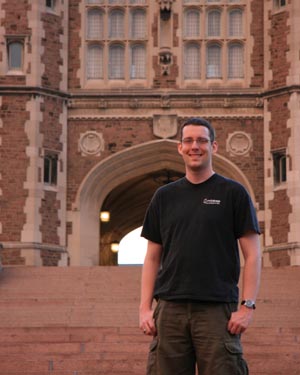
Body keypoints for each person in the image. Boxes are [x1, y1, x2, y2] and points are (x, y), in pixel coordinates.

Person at [139, 117, 261, 375]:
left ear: (214, 147)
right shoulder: (164, 197)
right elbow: (151, 257)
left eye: (202, 140)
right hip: (170, 308)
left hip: (216, 310)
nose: (195, 146)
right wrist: (144, 308)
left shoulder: (233, 193)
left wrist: (247, 307)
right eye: (189, 141)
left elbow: (252, 255)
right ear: (180, 147)